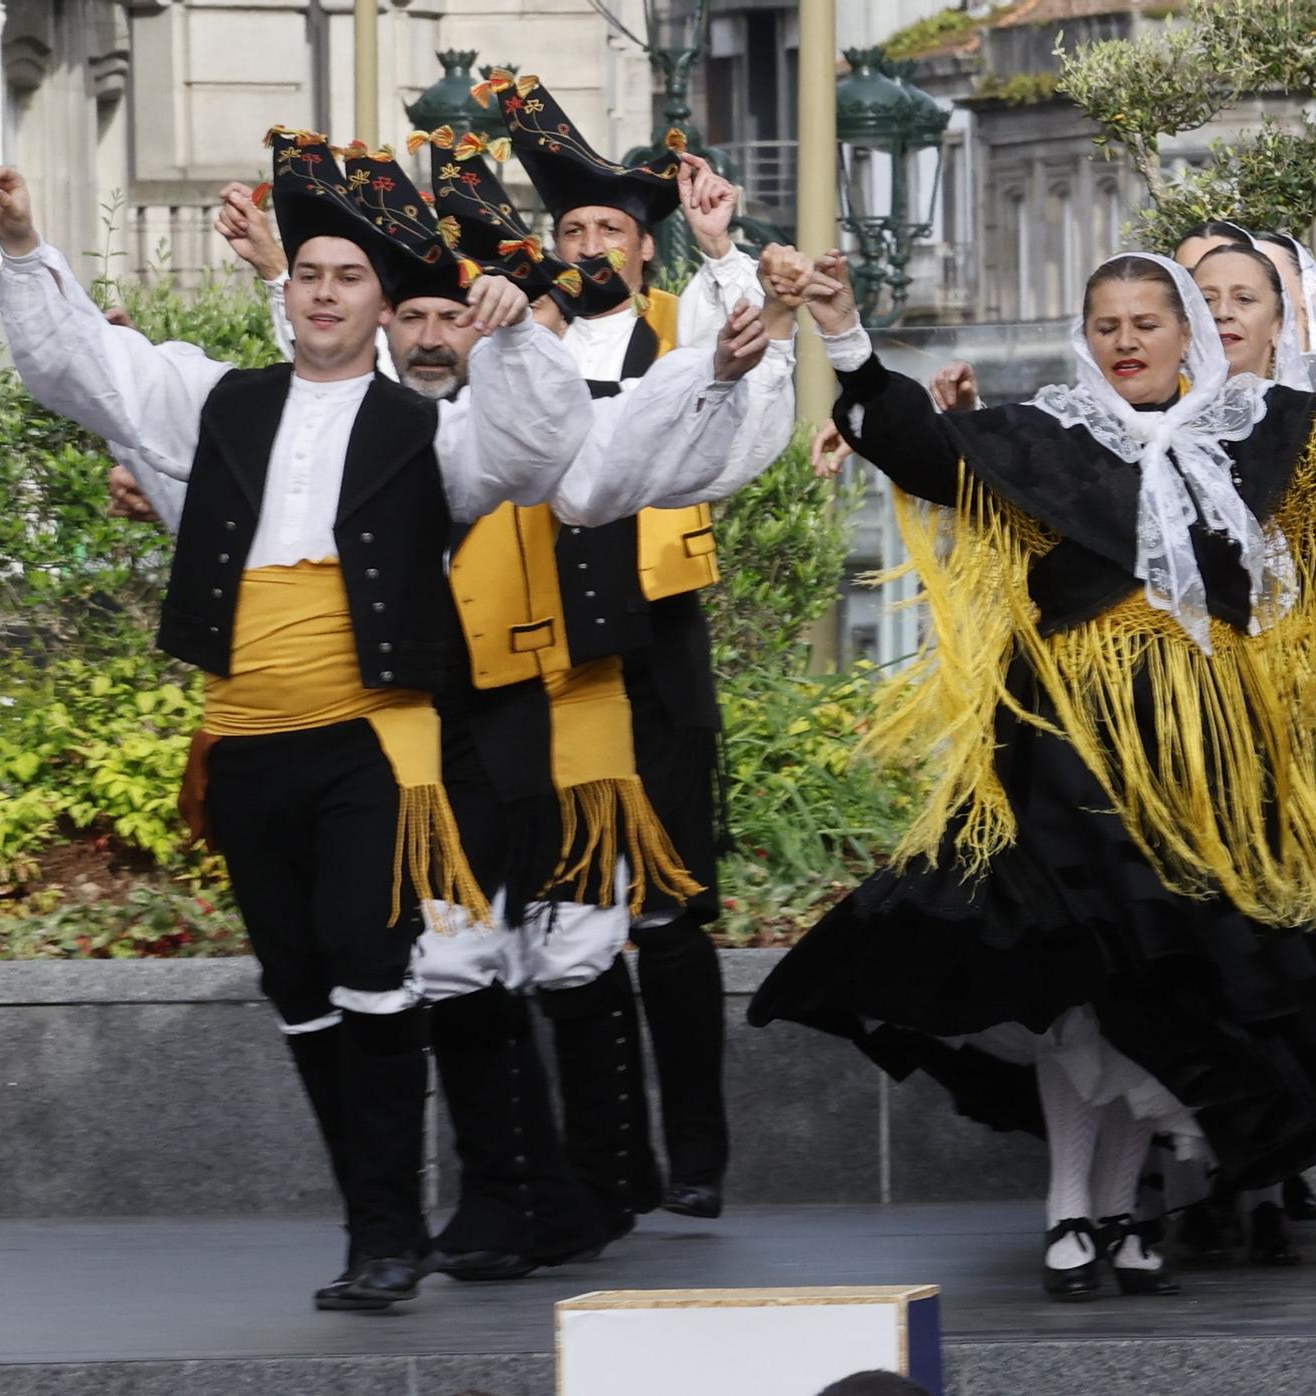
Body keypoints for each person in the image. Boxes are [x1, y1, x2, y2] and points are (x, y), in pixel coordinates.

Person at [0, 129, 765, 1311]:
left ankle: (527, 1198)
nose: (356, 305)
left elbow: (578, 454)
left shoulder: (453, 422)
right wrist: (30, 250)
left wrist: (677, 310)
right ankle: (503, 1197)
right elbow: (118, 386)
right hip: (324, 731)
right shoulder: (245, 407)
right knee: (383, 973)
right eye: (315, 278)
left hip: (467, 728)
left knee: (495, 957)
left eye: (368, 284)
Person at [751, 244, 1316, 1301]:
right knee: (1076, 982)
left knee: (1166, 982)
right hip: (1070, 747)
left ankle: (1125, 1206)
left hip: (1210, 760)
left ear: (1186, 332)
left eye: (1149, 322)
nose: (1128, 341)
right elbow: (916, 447)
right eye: (1108, 325)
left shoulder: (1256, 431)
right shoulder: (1041, 436)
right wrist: (843, 327)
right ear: (1084, 338)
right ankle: (1072, 1209)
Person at [493, 72, 784, 1231]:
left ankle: (698, 1152)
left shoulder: (683, 327)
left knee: (669, 909)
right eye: (571, 227)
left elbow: (742, 355)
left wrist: (723, 244)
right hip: (539, 638)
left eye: (611, 226)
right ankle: (596, 1155)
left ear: (642, 249)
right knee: (561, 908)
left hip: (657, 634)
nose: (590, 243)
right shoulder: (520, 335)